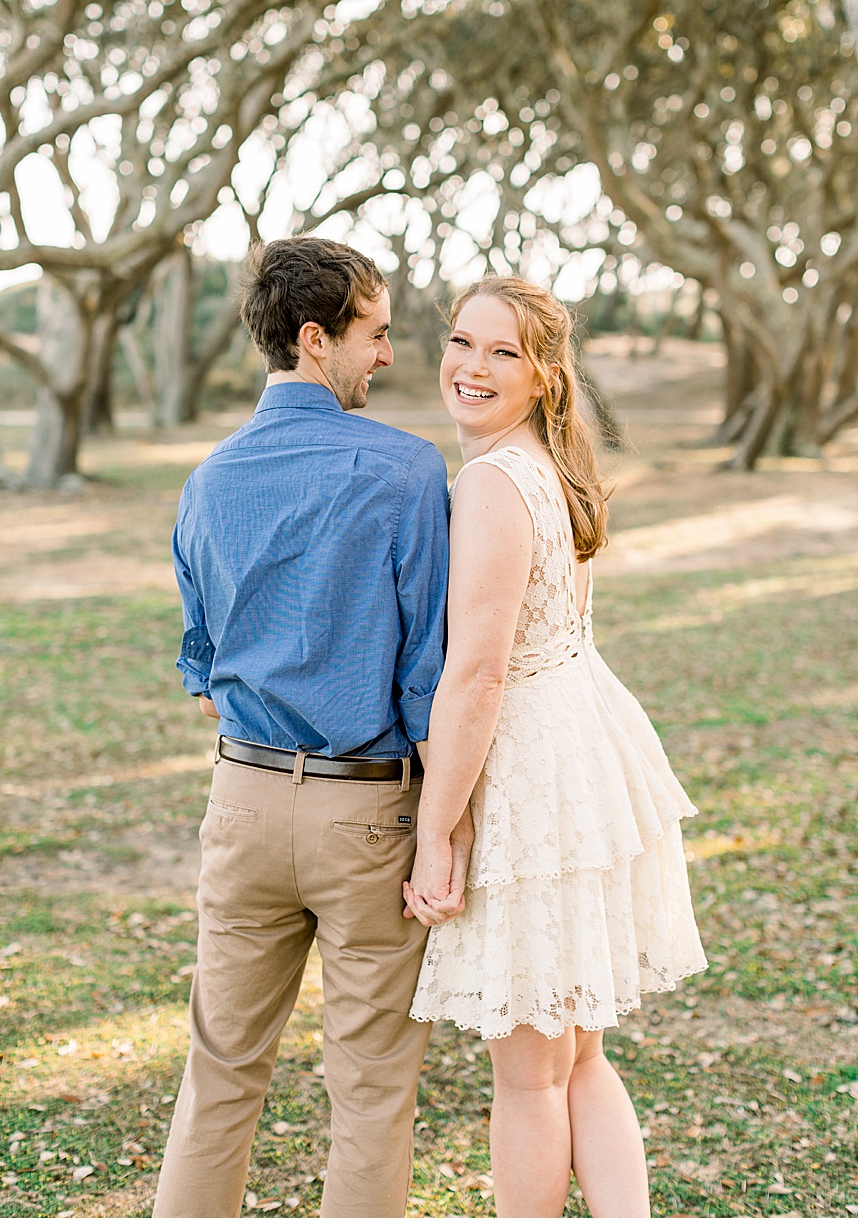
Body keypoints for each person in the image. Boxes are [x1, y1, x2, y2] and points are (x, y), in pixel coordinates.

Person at [154, 236, 467, 1218]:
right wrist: (446, 832)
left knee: (219, 1075)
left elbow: (198, 663)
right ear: (314, 336)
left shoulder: (206, 481)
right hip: (367, 814)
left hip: (239, 804)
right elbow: (428, 677)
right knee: (372, 1088)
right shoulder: (411, 473)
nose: (388, 356)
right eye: (374, 335)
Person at [405, 276, 707, 1217]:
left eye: (502, 353)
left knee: (531, 1074)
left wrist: (435, 827)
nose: (472, 367)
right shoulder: (549, 463)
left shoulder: (494, 484)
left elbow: (478, 676)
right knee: (577, 1055)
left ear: (542, 374)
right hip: (582, 750)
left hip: (538, 776)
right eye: (463, 343)